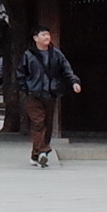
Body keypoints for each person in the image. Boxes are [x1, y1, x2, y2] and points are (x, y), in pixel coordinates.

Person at [11, 29, 82, 168]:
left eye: (48, 34)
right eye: (43, 35)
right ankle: (43, 152)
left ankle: (36, 155)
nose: (47, 37)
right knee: (38, 122)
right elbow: (20, 74)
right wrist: (26, 89)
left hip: (50, 93)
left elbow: (66, 69)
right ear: (35, 38)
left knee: (47, 124)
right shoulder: (28, 55)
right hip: (34, 94)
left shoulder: (56, 54)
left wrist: (74, 82)